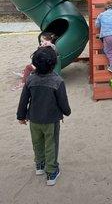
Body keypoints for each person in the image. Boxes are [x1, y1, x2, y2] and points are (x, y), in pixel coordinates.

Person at [16, 46, 71, 186]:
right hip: (51, 121)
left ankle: (39, 165)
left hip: (33, 119)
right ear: (54, 63)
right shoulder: (57, 81)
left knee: (37, 142)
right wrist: (67, 112)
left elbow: (24, 100)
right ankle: (51, 171)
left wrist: (21, 116)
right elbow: (63, 101)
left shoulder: (30, 80)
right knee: (51, 144)